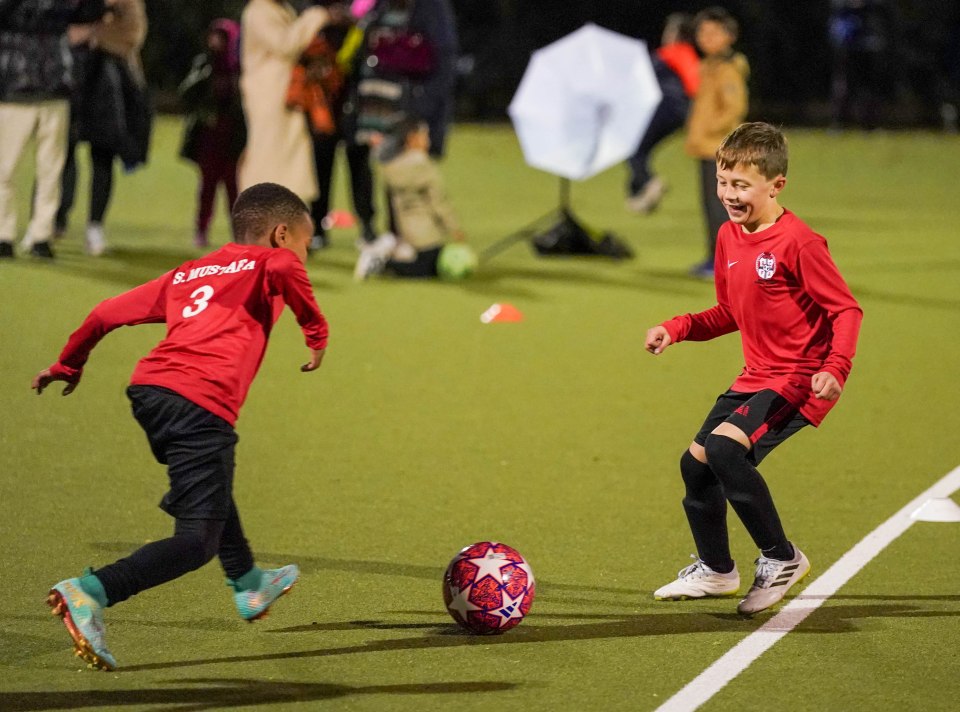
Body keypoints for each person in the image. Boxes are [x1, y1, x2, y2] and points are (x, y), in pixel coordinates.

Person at [35, 182, 330, 670]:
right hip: (199, 402)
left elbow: (106, 313)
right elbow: (281, 266)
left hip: (152, 391)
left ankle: (250, 584)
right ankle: (91, 591)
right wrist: (315, 332)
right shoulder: (272, 262)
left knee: (210, 486)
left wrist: (69, 364)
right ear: (281, 234)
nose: (303, 254)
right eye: (304, 241)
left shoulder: (191, 272)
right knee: (196, 539)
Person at [644, 122, 863, 616]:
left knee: (723, 449)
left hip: (799, 380)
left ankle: (781, 558)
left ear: (775, 185)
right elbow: (729, 313)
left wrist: (837, 367)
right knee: (695, 465)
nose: (727, 194)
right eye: (723, 181)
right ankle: (717, 571)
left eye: (740, 185)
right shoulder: (728, 236)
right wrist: (676, 327)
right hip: (755, 377)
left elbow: (846, 310)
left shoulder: (800, 243)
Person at [0, 0, 108, 260]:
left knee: (50, 169)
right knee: (5, 169)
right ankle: (5, 235)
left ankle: (40, 236)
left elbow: (93, 11)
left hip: (53, 90)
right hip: (18, 90)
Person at [56, 0, 150, 256]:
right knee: (62, 152)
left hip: (108, 87)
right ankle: (56, 218)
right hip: (70, 79)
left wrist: (92, 33)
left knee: (103, 155)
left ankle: (94, 226)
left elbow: (134, 34)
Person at [239, 0, 343, 204]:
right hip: (268, 94)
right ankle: (260, 210)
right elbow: (285, 44)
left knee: (292, 152)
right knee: (268, 153)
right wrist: (318, 15)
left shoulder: (281, 9)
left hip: (288, 93)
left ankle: (290, 208)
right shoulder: (257, 11)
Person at [354, 116, 464, 279]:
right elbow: (438, 200)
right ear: (412, 138)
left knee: (430, 265)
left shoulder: (392, 166)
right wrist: (453, 227)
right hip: (426, 232)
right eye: (424, 136)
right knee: (424, 268)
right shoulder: (422, 164)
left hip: (405, 228)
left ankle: (388, 256)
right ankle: (380, 263)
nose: (428, 140)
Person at [684, 7, 749, 280]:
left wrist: (708, 129)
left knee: (720, 208)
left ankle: (726, 261)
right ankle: (715, 258)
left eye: (713, 32)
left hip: (719, 150)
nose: (706, 38)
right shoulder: (707, 66)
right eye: (702, 32)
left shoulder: (727, 69)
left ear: (729, 36)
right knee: (710, 206)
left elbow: (734, 108)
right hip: (705, 147)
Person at [179, 19, 246, 249]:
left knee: (233, 189)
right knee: (207, 187)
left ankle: (239, 234)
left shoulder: (238, 67)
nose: (215, 41)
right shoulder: (204, 63)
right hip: (209, 136)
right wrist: (204, 78)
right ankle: (201, 230)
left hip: (232, 136)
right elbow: (187, 94)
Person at [625, 13, 699, 215]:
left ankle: (649, 183)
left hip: (665, 108)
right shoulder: (689, 55)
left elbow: (639, 76)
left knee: (634, 150)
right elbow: (694, 88)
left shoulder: (669, 53)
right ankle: (641, 197)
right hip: (681, 114)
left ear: (675, 33)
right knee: (642, 150)